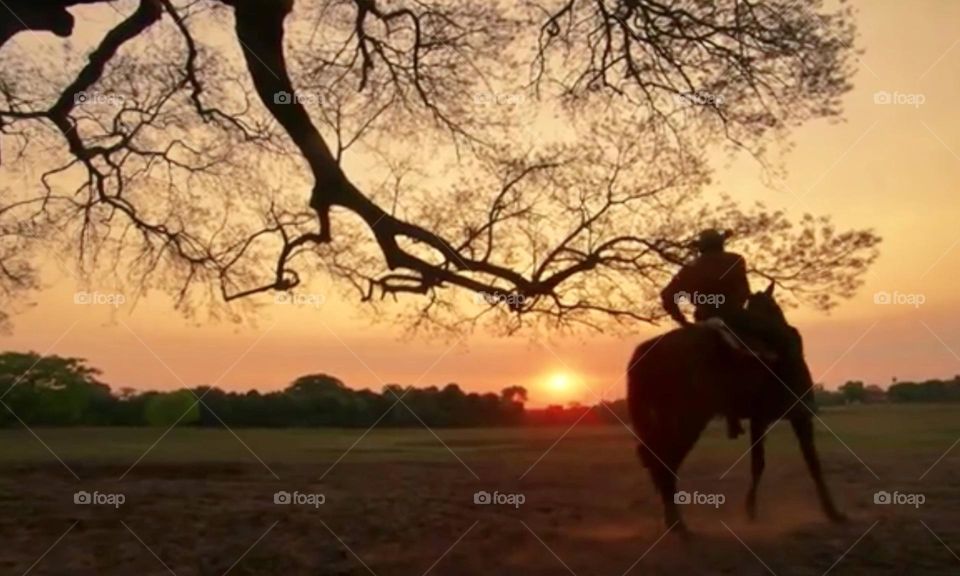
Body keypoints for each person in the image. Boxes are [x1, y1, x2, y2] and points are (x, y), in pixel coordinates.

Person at [660, 229, 750, 438]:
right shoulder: (735, 260)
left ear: (702, 247)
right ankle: (796, 397)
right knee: (784, 335)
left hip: (701, 320)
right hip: (735, 318)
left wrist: (682, 321)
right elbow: (743, 291)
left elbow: (667, 295)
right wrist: (735, 309)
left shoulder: (690, 268)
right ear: (720, 245)